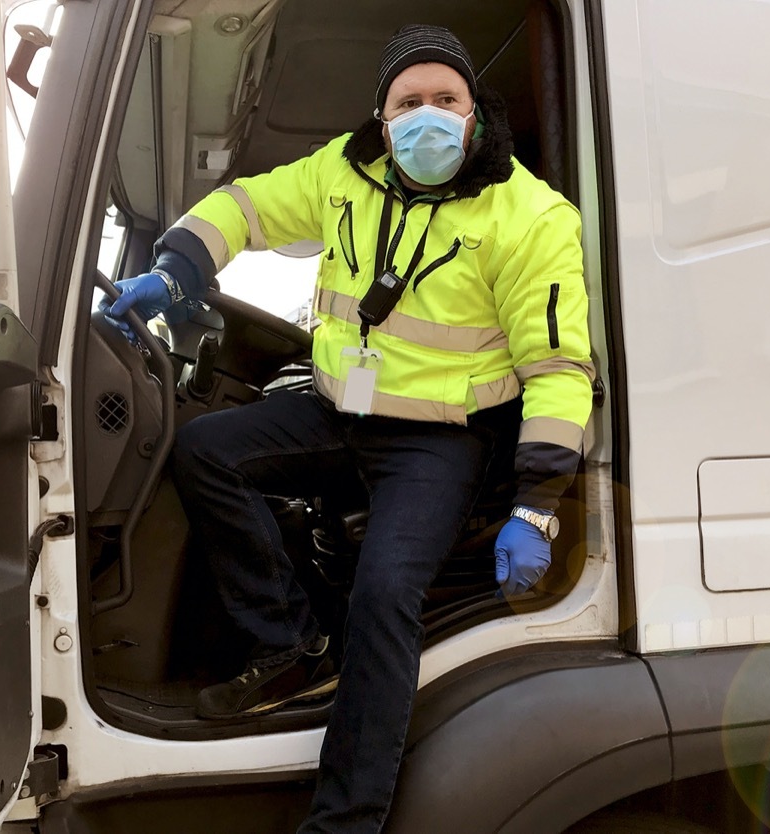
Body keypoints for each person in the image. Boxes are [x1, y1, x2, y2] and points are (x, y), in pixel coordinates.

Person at [101, 23, 593, 834]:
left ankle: (346, 820)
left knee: (386, 594)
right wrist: (174, 267)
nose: (427, 116)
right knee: (204, 450)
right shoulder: (345, 172)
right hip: (341, 412)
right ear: (382, 114)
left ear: (474, 116)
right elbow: (247, 205)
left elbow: (558, 370)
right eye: (410, 102)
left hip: (439, 441)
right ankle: (291, 647)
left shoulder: (530, 215)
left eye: (446, 100)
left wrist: (538, 500)